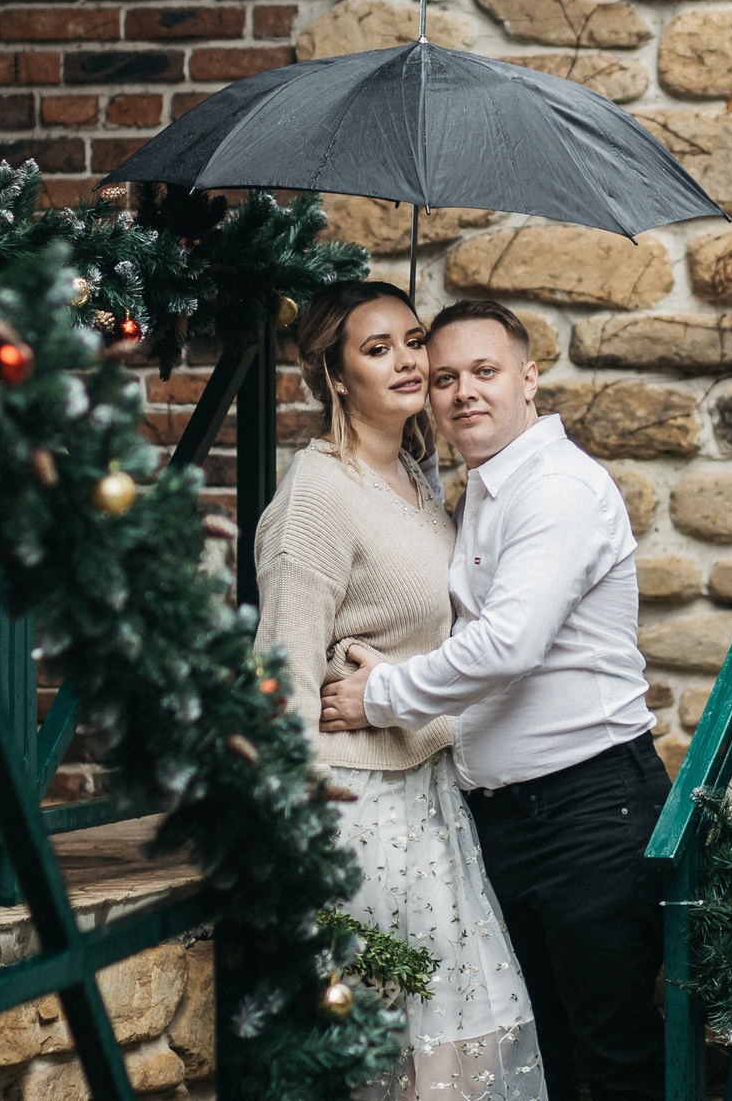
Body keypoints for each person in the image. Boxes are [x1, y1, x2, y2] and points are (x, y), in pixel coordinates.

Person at [318, 297, 665, 1101]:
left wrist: (381, 695)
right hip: (505, 824)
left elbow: (508, 645)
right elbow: (465, 643)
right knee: (537, 1054)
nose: (463, 392)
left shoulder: (558, 489)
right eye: (444, 378)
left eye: (485, 371)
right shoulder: (479, 493)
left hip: (590, 814)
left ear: (529, 379)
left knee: (612, 1055)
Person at [253, 281, 545, 1101]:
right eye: (376, 349)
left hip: (431, 800)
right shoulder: (314, 497)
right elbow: (279, 678)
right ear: (336, 376)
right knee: (384, 1048)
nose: (409, 361)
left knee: (454, 1043)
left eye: (413, 340)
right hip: (356, 810)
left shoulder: (419, 479)